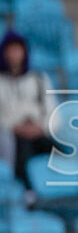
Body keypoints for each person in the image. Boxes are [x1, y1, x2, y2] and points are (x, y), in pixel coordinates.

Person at [0, 30, 57, 189]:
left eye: (18, 49)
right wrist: (16, 127)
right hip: (11, 135)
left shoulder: (39, 79)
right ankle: (28, 192)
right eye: (10, 50)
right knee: (22, 149)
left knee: (58, 152)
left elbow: (52, 112)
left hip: (38, 132)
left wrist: (39, 127)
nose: (14, 54)